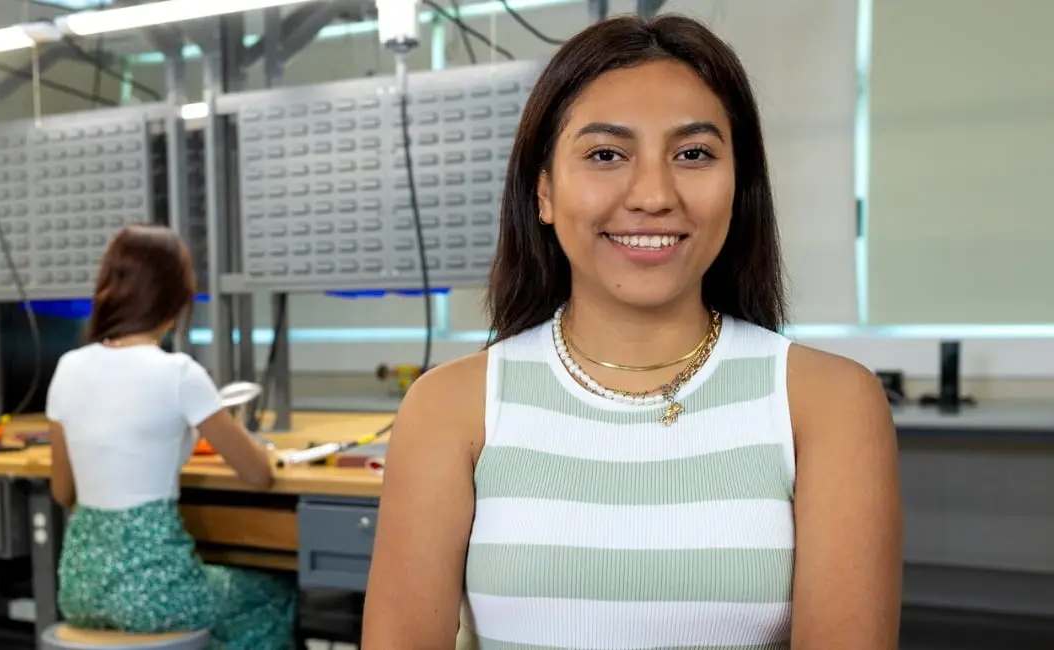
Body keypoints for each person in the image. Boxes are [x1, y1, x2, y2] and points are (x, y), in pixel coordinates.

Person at [364, 15, 900, 649]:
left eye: (694, 153)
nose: (653, 194)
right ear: (543, 192)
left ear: (739, 186)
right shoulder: (450, 409)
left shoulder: (829, 404)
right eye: (605, 155)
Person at [46, 225, 295, 648]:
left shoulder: (68, 367)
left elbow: (63, 491)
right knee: (270, 594)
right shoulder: (180, 374)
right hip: (157, 597)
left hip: (79, 590)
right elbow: (258, 475)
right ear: (178, 300)